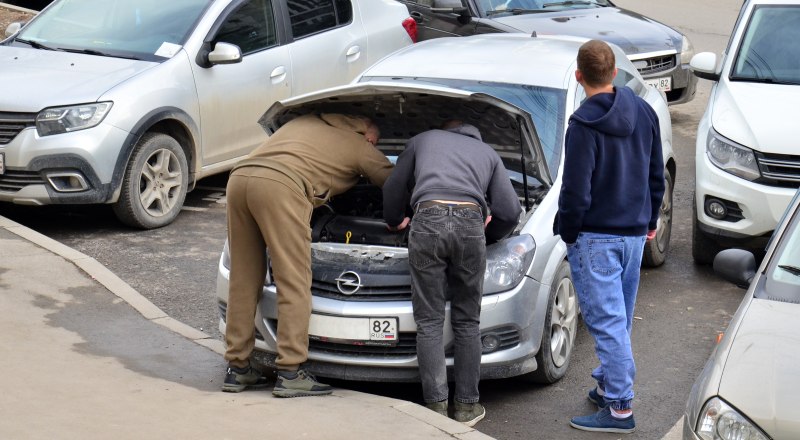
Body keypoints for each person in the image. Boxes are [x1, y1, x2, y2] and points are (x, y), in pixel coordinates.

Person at [222, 113, 392, 397]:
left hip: (240, 178)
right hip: (282, 187)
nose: (374, 146)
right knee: (294, 279)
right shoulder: (361, 146)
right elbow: (394, 184)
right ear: (369, 136)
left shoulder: (303, 122)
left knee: (244, 278)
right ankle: (291, 371)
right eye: (376, 142)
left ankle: (237, 368)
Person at [555, 40, 665, 433]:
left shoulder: (583, 124)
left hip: (595, 237)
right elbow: (657, 174)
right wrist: (651, 219)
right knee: (618, 321)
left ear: (579, 76)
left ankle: (619, 408)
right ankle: (607, 385)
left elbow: (576, 190)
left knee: (607, 323)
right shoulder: (644, 111)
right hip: (635, 234)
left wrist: (567, 231)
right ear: (614, 73)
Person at [383, 120, 521, 426]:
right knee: (467, 320)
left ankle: (435, 408)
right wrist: (488, 236)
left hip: (427, 217)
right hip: (471, 223)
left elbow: (394, 187)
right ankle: (467, 407)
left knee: (429, 320)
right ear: (475, 134)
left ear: (445, 130)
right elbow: (510, 211)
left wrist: (394, 219)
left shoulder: (422, 139)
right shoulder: (488, 152)